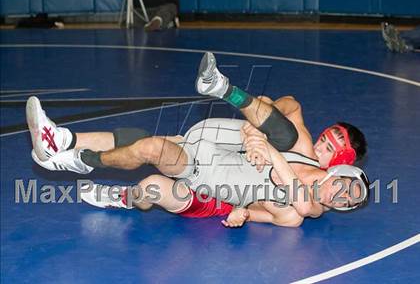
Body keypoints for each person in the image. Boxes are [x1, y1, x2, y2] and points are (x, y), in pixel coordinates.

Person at [26, 54, 368, 227]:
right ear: (339, 173)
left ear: (342, 162)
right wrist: (254, 133)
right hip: (211, 153)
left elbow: (295, 207)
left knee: (150, 188)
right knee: (148, 145)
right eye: (328, 137)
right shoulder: (301, 147)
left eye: (342, 199)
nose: (324, 143)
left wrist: (241, 212)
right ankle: (69, 147)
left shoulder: (297, 214)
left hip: (210, 191)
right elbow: (287, 104)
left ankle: (124, 197)